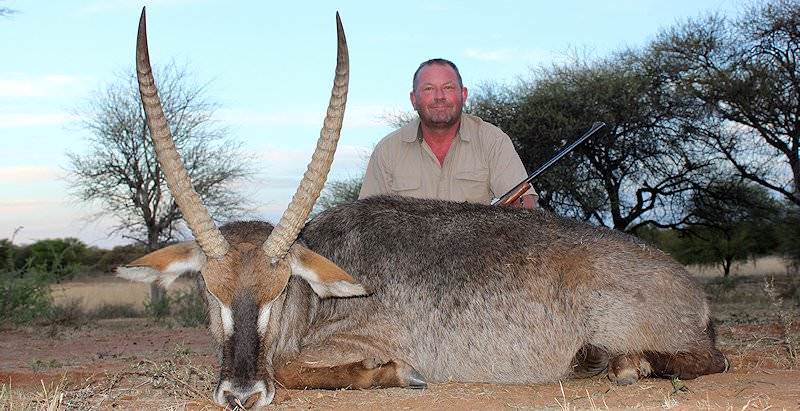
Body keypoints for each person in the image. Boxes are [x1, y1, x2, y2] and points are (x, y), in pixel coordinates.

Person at [358, 58, 538, 208]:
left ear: (464, 95)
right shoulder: (387, 150)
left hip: (478, 250)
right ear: (414, 100)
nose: (439, 96)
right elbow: (366, 219)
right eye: (428, 89)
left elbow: (526, 204)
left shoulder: (492, 140)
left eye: (448, 87)